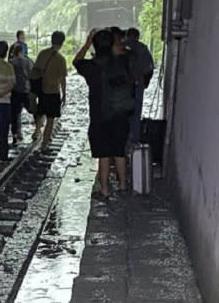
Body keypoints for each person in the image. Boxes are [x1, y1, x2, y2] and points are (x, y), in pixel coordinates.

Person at [74, 29, 137, 198]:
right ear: (112, 44)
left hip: (99, 117)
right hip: (120, 114)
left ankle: (104, 189)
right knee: (119, 151)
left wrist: (87, 44)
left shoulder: (91, 67)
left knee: (103, 154)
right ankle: (123, 186)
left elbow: (76, 61)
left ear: (95, 46)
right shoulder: (122, 61)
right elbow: (130, 56)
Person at [30, 31, 68, 150]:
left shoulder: (42, 53)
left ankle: (36, 132)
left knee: (41, 113)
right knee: (50, 119)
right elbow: (62, 79)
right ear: (62, 42)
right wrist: (64, 93)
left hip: (41, 90)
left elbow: (36, 70)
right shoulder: (60, 59)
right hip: (53, 91)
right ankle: (44, 144)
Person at [125, 28, 154, 146]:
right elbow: (149, 68)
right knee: (136, 115)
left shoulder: (121, 48)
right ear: (138, 36)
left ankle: (123, 143)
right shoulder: (143, 49)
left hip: (123, 88)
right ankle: (134, 142)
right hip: (138, 86)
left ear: (127, 36)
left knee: (122, 115)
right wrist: (143, 81)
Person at [9, 43, 34, 144]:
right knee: (33, 110)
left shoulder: (11, 62)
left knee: (15, 114)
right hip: (26, 90)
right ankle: (38, 129)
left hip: (15, 91)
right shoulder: (28, 62)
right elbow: (32, 75)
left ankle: (16, 134)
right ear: (22, 51)